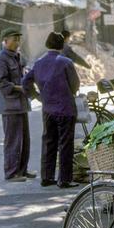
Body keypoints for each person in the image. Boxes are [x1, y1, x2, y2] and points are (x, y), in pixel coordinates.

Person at [22, 32, 80, 189]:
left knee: (49, 142)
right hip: (66, 108)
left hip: (47, 109)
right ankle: (65, 179)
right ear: (61, 46)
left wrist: (37, 96)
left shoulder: (38, 63)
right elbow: (75, 85)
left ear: (47, 44)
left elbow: (25, 82)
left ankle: (47, 177)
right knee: (65, 144)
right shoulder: (66, 62)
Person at [0, 27, 35, 182]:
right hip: (10, 106)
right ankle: (11, 173)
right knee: (13, 140)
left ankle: (22, 170)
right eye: (14, 39)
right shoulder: (0, 60)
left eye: (18, 39)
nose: (17, 42)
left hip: (21, 104)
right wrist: (19, 88)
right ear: (5, 41)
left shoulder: (17, 57)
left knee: (24, 139)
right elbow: (1, 84)